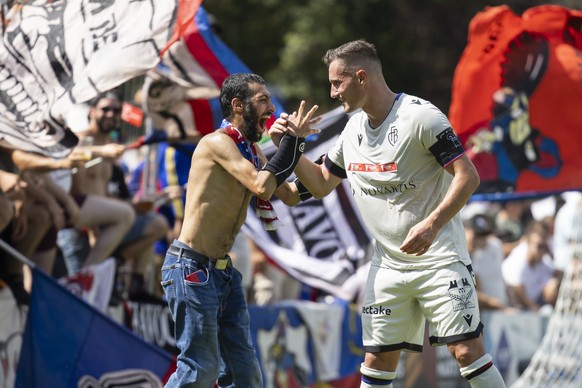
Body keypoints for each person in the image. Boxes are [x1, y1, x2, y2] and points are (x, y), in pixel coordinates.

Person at [270, 40, 505, 387]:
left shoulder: (420, 117)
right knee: (377, 361)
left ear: (361, 77)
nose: (333, 93)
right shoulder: (352, 131)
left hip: (439, 258)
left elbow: (468, 176)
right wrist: (285, 148)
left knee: (466, 351)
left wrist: (432, 224)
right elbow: (315, 187)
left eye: (337, 82)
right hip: (387, 266)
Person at [161, 72, 319, 386]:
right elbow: (262, 186)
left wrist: (336, 169)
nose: (272, 109)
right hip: (191, 269)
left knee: (244, 376)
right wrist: (291, 142)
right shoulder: (217, 143)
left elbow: (287, 195)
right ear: (237, 105)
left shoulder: (251, 150)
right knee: (198, 371)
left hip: (221, 273)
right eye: (263, 100)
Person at [502, 220, 560, 311]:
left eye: (545, 247)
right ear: (529, 241)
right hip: (512, 305)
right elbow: (517, 290)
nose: (542, 251)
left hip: (533, 303)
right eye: (539, 246)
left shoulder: (544, 259)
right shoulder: (518, 257)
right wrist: (535, 308)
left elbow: (551, 281)